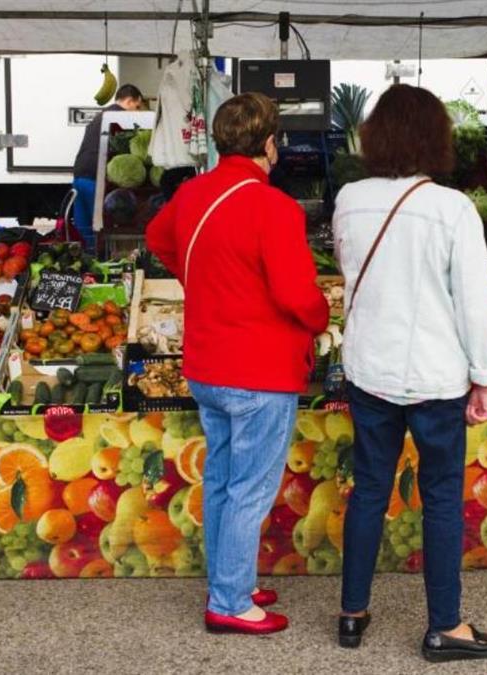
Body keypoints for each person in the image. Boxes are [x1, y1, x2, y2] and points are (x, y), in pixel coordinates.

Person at [145, 92, 329, 635]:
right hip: (260, 370)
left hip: (206, 364)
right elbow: (298, 294)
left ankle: (231, 580)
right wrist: (320, 319)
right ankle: (228, 603)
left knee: (224, 480)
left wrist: (197, 278)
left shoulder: (192, 192)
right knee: (249, 488)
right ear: (270, 144)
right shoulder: (275, 207)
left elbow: (158, 238)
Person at [332, 84, 487, 662]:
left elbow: (349, 271)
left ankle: (352, 613)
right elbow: (475, 303)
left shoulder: (349, 198)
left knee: (369, 490)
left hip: (369, 369)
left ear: (375, 135)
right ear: (436, 138)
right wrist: (485, 378)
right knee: (440, 498)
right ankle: (445, 627)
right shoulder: (452, 208)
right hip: (434, 376)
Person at [72, 84, 144, 252]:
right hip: (94, 177)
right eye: (137, 106)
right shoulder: (119, 117)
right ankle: (100, 258)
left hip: (80, 174)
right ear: (129, 101)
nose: (137, 111)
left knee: (84, 227)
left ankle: (87, 258)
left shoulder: (101, 115)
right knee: (100, 227)